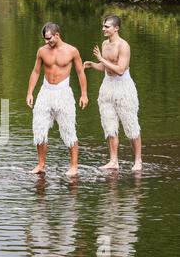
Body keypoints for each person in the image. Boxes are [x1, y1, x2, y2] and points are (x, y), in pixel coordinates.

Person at [26, 22, 88, 176]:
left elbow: (80, 72)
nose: (48, 42)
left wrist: (84, 94)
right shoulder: (42, 51)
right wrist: (29, 93)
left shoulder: (72, 51)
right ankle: (41, 164)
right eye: (45, 39)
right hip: (45, 92)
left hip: (63, 93)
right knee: (39, 128)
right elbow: (35, 71)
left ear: (57, 35)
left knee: (68, 130)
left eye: (49, 39)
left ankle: (74, 166)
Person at [83, 15, 142, 171]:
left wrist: (101, 59)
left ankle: (138, 161)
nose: (103, 29)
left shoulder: (123, 46)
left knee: (131, 126)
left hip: (123, 87)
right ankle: (113, 161)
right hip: (107, 86)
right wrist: (93, 64)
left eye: (107, 26)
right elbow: (106, 67)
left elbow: (121, 70)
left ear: (116, 28)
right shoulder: (104, 44)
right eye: (103, 26)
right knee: (109, 124)